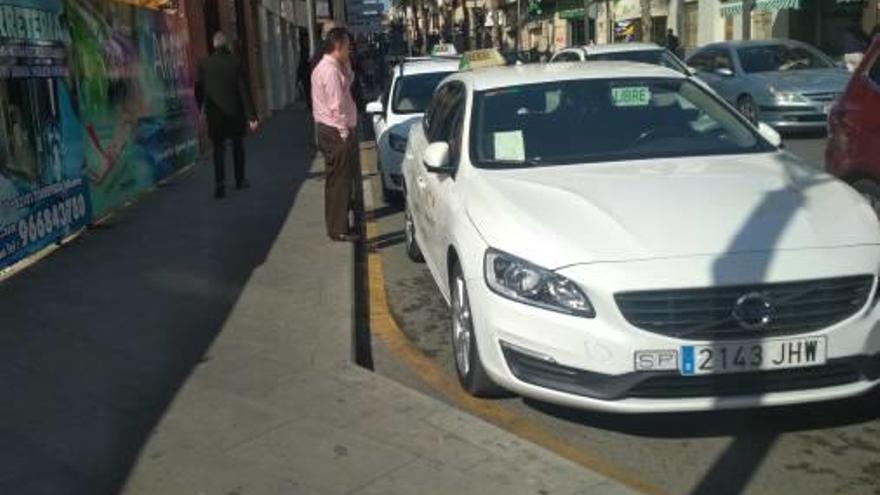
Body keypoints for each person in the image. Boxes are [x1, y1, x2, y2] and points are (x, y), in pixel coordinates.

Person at [311, 27, 360, 242]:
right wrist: (344, 132)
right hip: (335, 131)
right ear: (338, 46)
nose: (350, 50)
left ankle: (337, 224)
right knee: (340, 181)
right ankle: (339, 229)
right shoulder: (329, 71)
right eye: (347, 46)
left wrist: (347, 65)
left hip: (329, 129)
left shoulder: (332, 66)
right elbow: (336, 105)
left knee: (336, 180)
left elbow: (347, 84)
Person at [195, 32, 258, 199]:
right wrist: (252, 117)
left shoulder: (204, 64)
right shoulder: (236, 63)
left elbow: (199, 89)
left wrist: (200, 108)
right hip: (235, 113)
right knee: (238, 146)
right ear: (227, 45)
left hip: (215, 114)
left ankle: (220, 185)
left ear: (213, 45)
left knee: (218, 149)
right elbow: (244, 91)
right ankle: (240, 179)